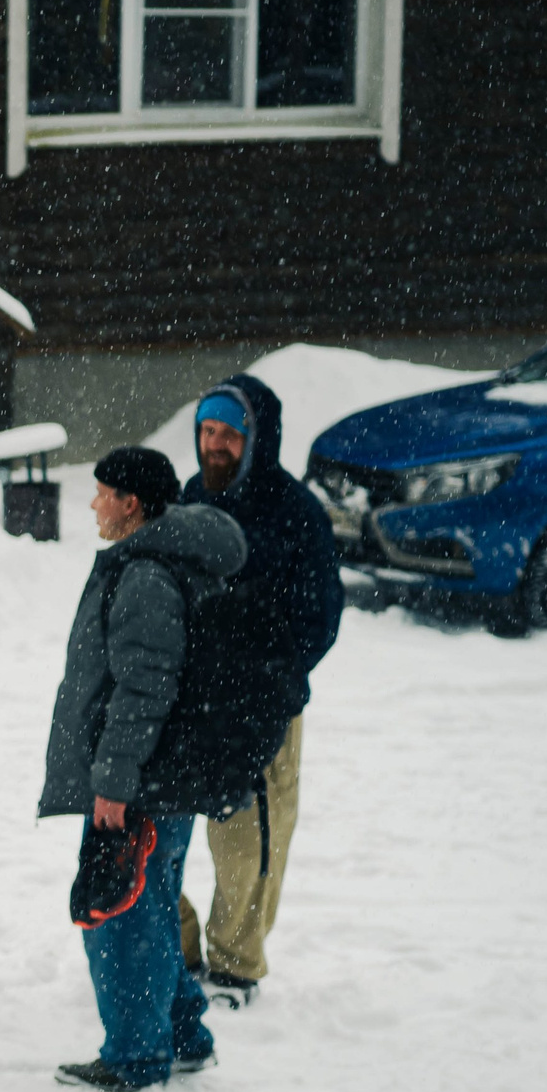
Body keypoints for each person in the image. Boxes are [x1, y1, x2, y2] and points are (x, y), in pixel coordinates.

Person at [40, 447, 245, 1092]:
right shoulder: (161, 562)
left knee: (120, 916)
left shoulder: (146, 575)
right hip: (164, 778)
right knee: (149, 905)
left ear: (131, 504)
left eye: (103, 493)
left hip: (142, 783)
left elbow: (143, 690)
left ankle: (135, 1055)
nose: (94, 503)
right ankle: (181, 1036)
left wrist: (114, 784)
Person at [174, 376, 343, 1008]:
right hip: (194, 702)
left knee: (248, 843)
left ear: (257, 439)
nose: (215, 445)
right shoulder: (192, 499)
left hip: (262, 707)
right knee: (159, 830)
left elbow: (320, 617)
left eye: (230, 434)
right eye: (207, 431)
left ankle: (236, 964)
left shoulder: (296, 513)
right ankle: (179, 948)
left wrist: (272, 680)